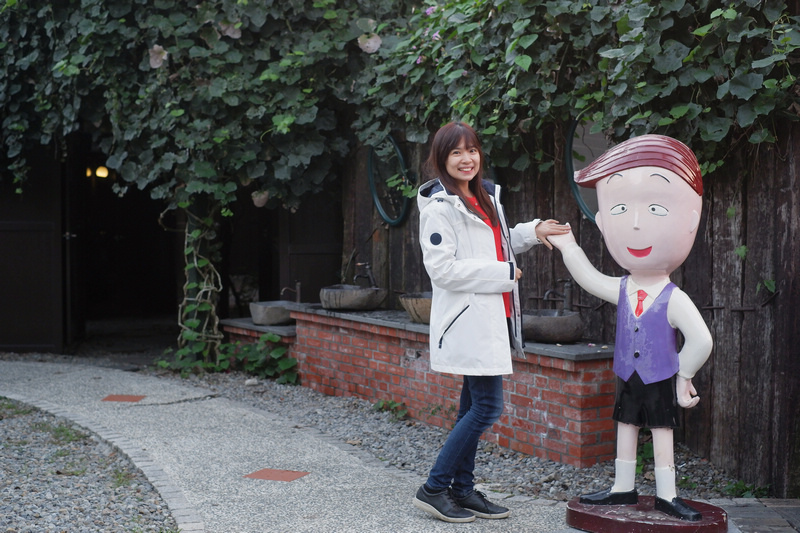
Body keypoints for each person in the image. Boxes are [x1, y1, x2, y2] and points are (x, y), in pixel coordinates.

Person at [547, 134, 713, 522]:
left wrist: (683, 375)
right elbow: (589, 277)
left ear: (691, 219)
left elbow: (701, 339)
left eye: (656, 208)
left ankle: (668, 495)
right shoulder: (622, 288)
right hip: (627, 373)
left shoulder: (673, 297)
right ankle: (623, 486)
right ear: (602, 221)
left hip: (659, 376)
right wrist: (569, 246)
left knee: (661, 431)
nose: (635, 225)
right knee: (625, 424)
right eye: (619, 208)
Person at [412, 121, 570, 523]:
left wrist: (533, 231)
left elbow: (497, 242)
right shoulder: (438, 208)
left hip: (492, 317)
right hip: (469, 321)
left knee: (473, 405)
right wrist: (502, 273)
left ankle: (462, 491)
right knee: (487, 407)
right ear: (441, 160)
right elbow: (443, 270)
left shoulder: (485, 197)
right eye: (456, 153)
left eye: (472, 150)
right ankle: (434, 488)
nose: (467, 159)